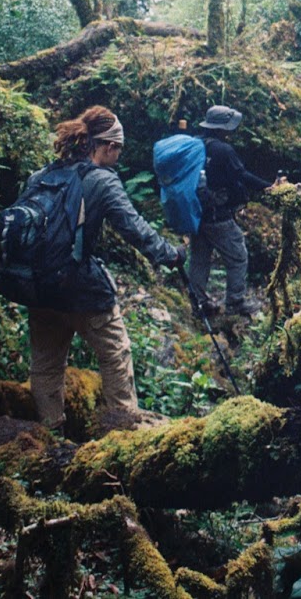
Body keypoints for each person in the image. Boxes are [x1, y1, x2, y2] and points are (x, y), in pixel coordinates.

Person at [26, 105, 184, 431]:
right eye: (119, 149)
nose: (120, 156)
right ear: (108, 146)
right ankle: (123, 432)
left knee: (45, 365)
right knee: (115, 354)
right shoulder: (102, 181)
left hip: (37, 285)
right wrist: (170, 254)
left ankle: (49, 434)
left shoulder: (43, 174)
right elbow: (133, 227)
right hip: (79, 288)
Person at [190, 104, 274, 317]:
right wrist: (269, 187)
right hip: (218, 216)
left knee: (200, 259)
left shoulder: (196, 144)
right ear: (221, 128)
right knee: (238, 256)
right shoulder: (223, 150)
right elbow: (241, 175)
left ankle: (197, 302)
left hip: (197, 214)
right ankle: (235, 303)